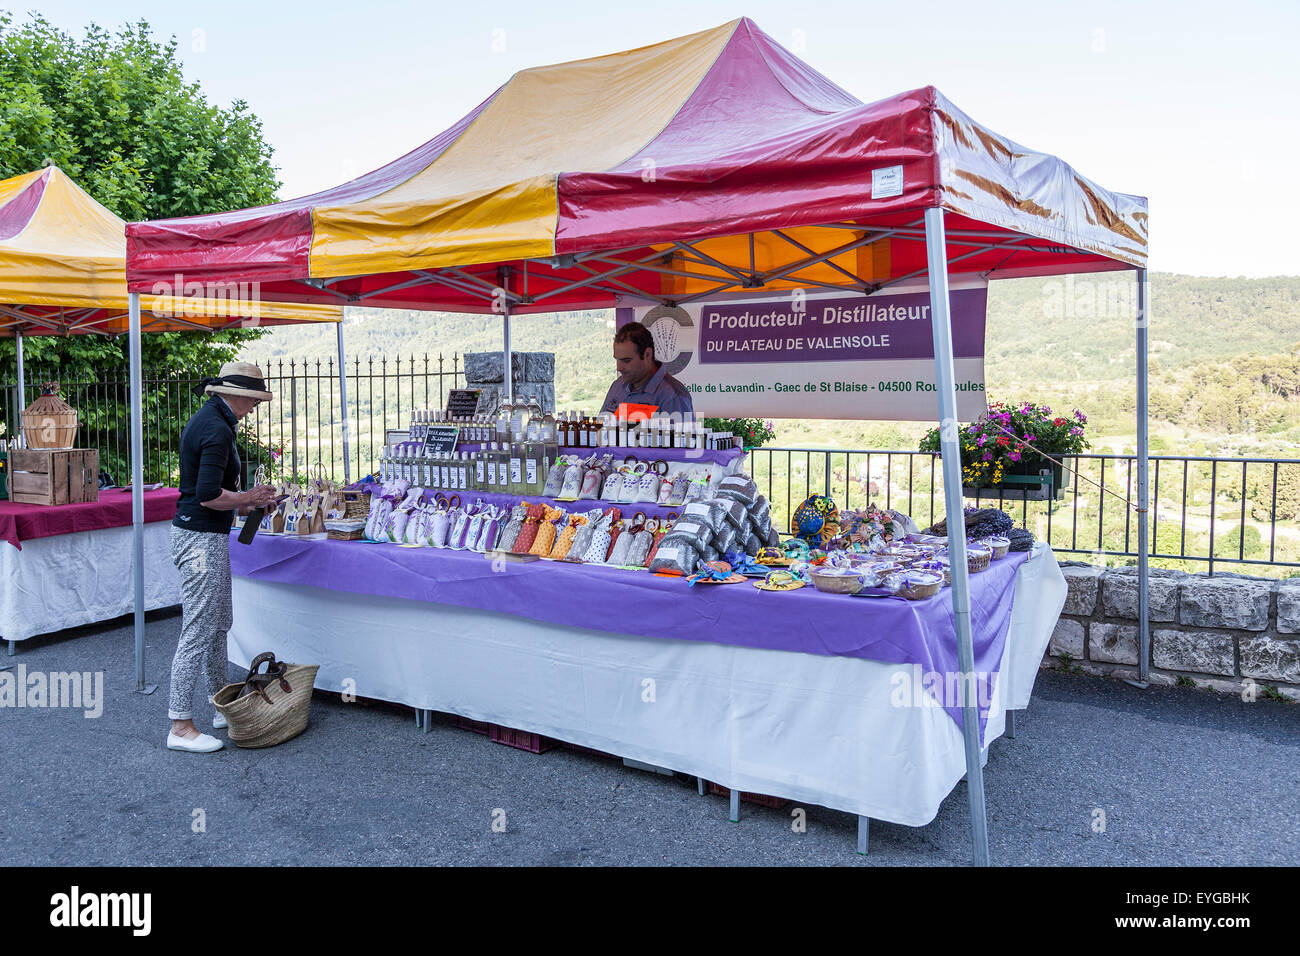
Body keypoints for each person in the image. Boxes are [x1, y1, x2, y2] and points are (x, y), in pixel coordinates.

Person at [167, 362, 278, 753]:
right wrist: (249, 498)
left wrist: (248, 503)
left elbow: (210, 496)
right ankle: (180, 725)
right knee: (199, 630)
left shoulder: (212, 421)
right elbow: (209, 495)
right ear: (239, 396)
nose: (254, 408)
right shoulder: (216, 428)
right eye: (253, 400)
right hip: (200, 540)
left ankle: (220, 705)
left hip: (200, 534)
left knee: (217, 624)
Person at [599, 323, 694, 421]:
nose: (619, 368)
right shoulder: (617, 386)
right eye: (617, 360)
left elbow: (682, 436)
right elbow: (601, 429)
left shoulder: (673, 396)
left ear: (647, 354)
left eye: (626, 360)